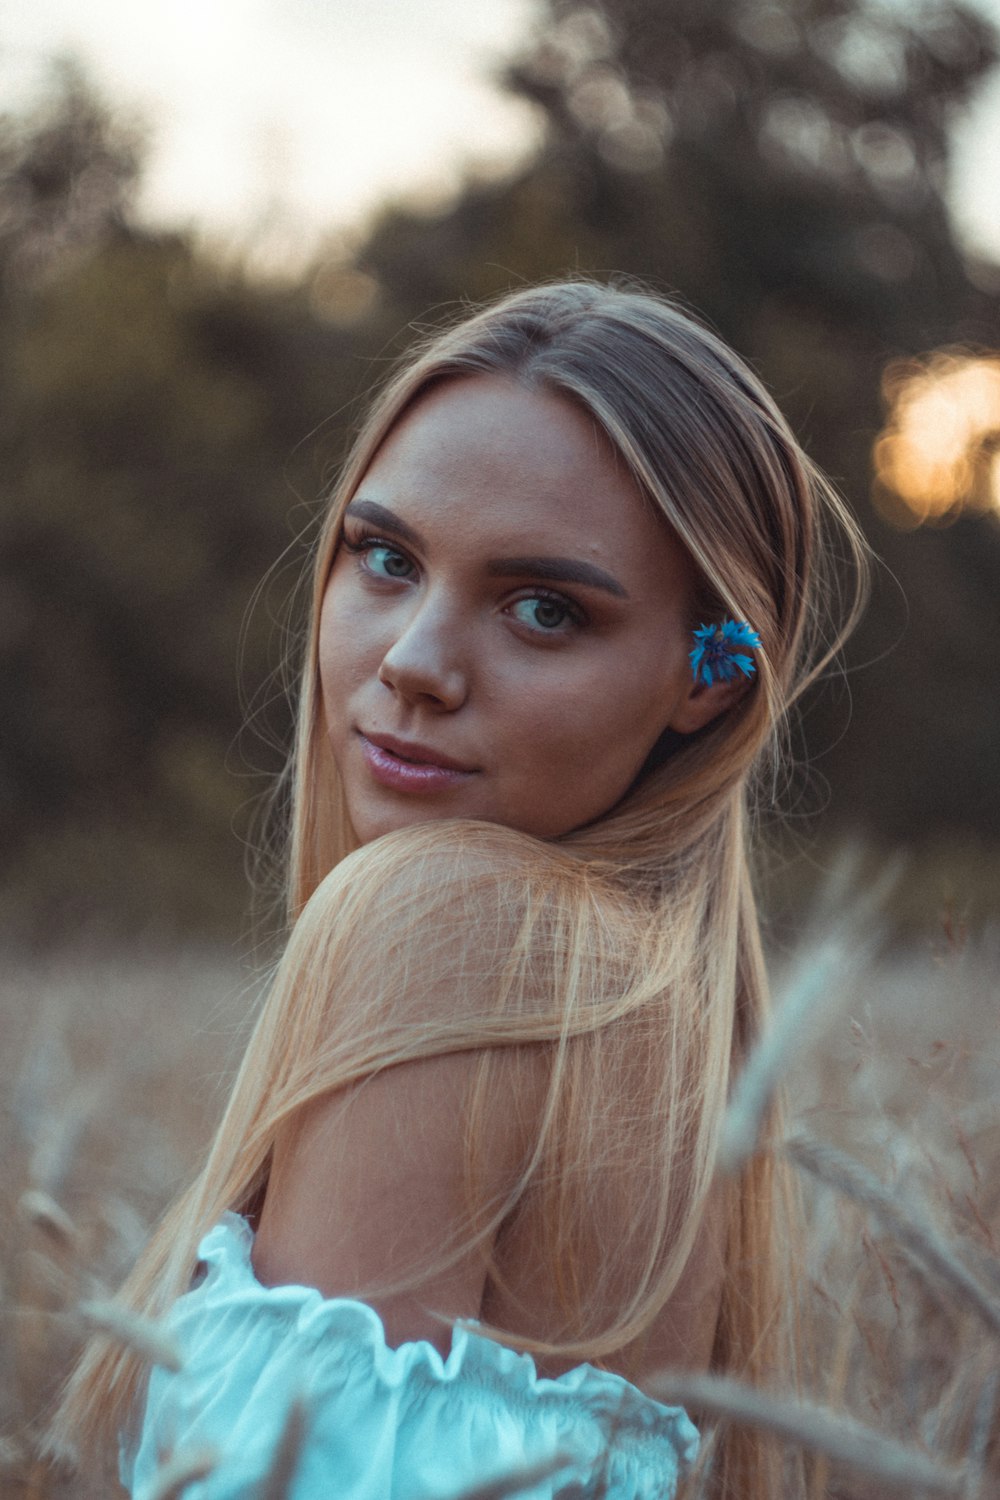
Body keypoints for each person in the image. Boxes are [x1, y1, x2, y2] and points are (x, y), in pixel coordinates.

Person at [55, 279, 868, 1499]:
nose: (414, 662)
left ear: (709, 680)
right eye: (385, 557)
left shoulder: (448, 928)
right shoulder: (659, 1044)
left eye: (544, 610)